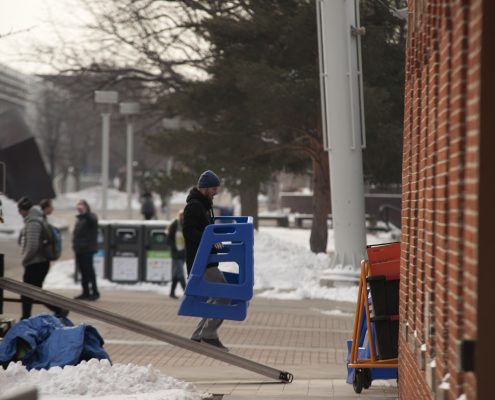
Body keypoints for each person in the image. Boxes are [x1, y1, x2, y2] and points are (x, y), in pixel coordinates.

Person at [183, 170, 229, 351]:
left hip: (207, 259)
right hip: (200, 261)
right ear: (204, 188)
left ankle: (199, 334)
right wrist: (209, 237)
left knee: (216, 295)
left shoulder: (205, 204)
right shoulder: (194, 206)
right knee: (225, 293)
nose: (216, 192)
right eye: (213, 188)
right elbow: (188, 232)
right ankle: (208, 334)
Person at [17, 196, 67, 319]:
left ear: (24, 210)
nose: (19, 213)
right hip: (40, 262)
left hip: (36, 263)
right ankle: (27, 316)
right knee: (32, 292)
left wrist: (25, 260)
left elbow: (33, 245)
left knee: (30, 292)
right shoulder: (37, 219)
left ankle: (58, 309)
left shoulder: (33, 222)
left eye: (20, 210)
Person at [72, 199, 100, 301]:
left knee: (89, 271)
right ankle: (85, 292)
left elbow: (92, 221)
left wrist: (86, 213)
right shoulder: (80, 219)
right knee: (83, 272)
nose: (80, 207)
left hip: (88, 249)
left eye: (82, 205)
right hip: (80, 250)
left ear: (87, 207)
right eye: (78, 205)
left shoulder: (90, 217)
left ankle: (95, 292)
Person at [167, 210, 186, 299]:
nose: (183, 217)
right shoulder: (175, 224)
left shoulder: (185, 224)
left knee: (177, 273)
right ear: (179, 216)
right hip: (176, 253)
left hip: (183, 253)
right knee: (180, 273)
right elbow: (169, 238)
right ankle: (187, 293)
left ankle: (171, 293)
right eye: (181, 215)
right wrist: (173, 249)